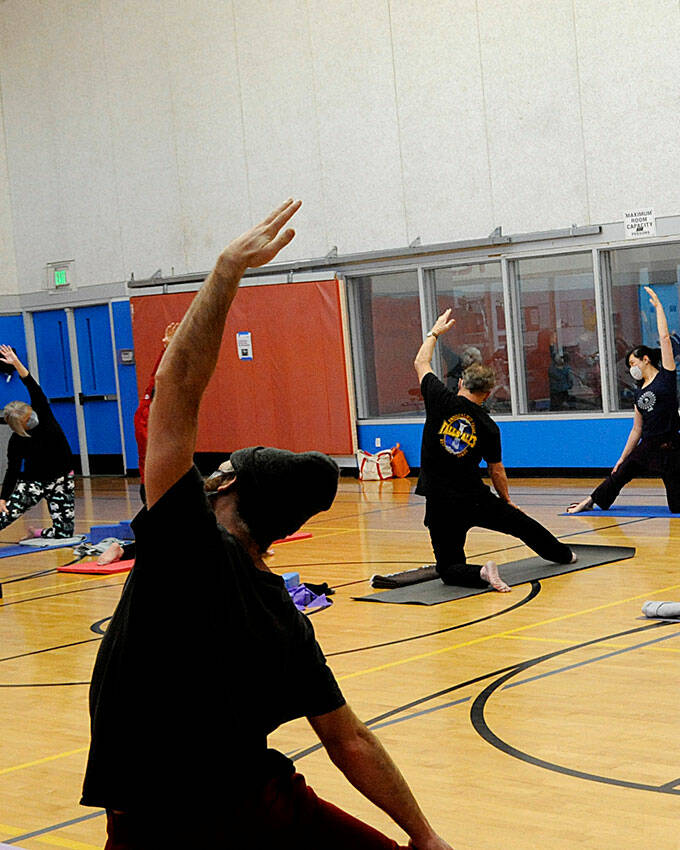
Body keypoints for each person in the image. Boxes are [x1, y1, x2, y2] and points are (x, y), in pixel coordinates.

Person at [81, 200, 452, 850]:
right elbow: (349, 740)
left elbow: (177, 393)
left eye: (222, 465)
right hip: (266, 808)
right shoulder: (283, 616)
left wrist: (227, 269)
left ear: (225, 484)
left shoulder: (189, 550)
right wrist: (424, 837)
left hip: (160, 829)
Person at [416, 309, 575, 592]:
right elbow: (496, 470)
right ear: (487, 394)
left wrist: (435, 333)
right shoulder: (488, 425)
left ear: (461, 383)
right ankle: (563, 555)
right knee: (522, 525)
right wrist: (506, 500)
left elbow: (421, 362)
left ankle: (482, 573)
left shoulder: (439, 399)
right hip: (475, 498)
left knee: (449, 569)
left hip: (440, 502)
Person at [567, 286, 680, 515]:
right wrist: (622, 458)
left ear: (646, 360)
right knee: (618, 475)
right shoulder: (638, 392)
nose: (631, 368)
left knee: (676, 505)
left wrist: (659, 308)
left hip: (669, 447)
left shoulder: (666, 377)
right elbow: (636, 429)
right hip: (647, 445)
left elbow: (665, 339)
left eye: (633, 363)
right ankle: (589, 501)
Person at [0, 345, 78, 541]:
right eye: (27, 420)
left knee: (64, 534)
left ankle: (38, 533)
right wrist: (3, 498)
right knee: (3, 516)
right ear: (19, 426)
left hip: (62, 478)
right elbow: (12, 470)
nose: (32, 419)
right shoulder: (17, 441)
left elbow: (31, 384)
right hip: (33, 483)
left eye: (30, 414)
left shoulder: (43, 412)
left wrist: (15, 362)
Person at [134, 321, 180, 503]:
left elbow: (156, 376)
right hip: (154, 486)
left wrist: (168, 348)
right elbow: (159, 377)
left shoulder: (150, 402)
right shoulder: (147, 416)